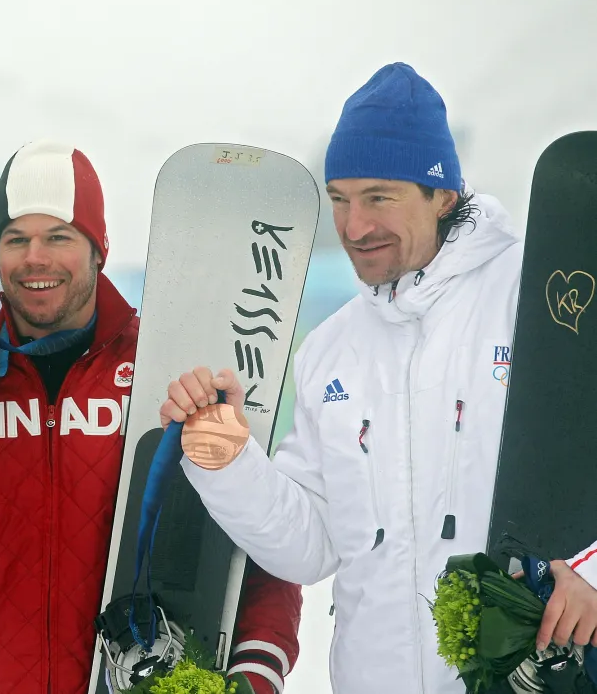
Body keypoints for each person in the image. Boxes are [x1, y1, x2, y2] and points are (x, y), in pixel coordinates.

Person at [159, 62, 597, 693]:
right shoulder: (331, 350)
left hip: (527, 676)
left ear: (443, 194)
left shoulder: (537, 295)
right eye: (339, 198)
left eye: (379, 197)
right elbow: (309, 547)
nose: (355, 227)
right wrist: (226, 461)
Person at [0, 140, 303, 694]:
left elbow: (259, 534)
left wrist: (257, 669)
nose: (35, 258)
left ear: (99, 248)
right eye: (15, 239)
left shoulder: (166, 371)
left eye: (58, 237)